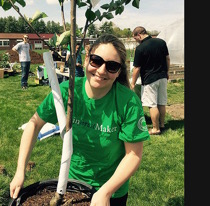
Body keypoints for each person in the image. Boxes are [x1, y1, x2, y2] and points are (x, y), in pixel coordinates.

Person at [9, 34, 150, 205]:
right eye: (96, 61)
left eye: (111, 66)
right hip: (73, 187)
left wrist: (106, 191)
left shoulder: (128, 102)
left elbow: (133, 154)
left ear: (119, 71)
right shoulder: (67, 92)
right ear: (86, 60)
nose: (101, 70)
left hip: (112, 190)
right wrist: (19, 171)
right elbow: (34, 124)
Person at [131, 26, 170, 135]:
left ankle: (155, 128)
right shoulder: (161, 42)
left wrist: (133, 83)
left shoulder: (140, 48)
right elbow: (167, 58)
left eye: (135, 38)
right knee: (161, 102)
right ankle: (162, 125)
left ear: (139, 35)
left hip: (150, 79)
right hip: (162, 76)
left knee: (152, 104)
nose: (136, 41)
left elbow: (137, 68)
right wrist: (167, 72)